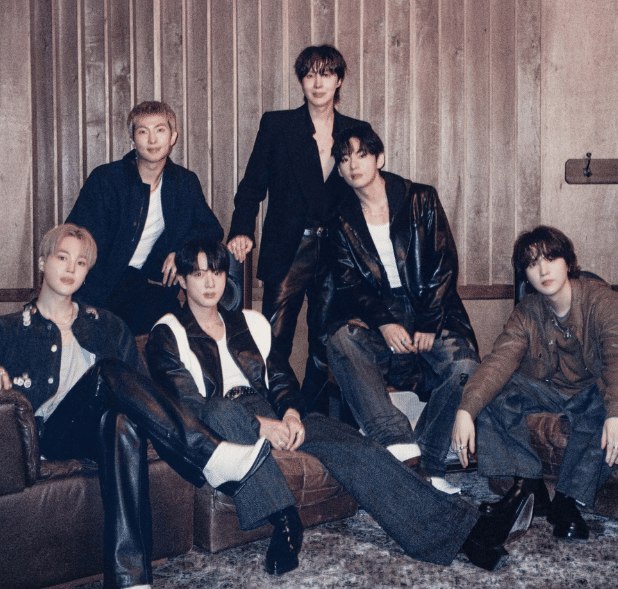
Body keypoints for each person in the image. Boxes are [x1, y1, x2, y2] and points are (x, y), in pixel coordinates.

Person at [145, 238, 533, 575]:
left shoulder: (252, 322)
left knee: (359, 446)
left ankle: (466, 534)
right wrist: (261, 425)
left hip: (273, 411)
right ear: (182, 280)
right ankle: (285, 523)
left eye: (216, 272)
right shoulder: (168, 332)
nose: (209, 282)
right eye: (198, 274)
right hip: (223, 420)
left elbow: (281, 381)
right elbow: (190, 404)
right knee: (220, 411)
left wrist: (290, 414)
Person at [0, 224, 271, 589]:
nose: (71, 268)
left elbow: (140, 391)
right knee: (107, 372)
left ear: (87, 273)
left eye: (81, 262)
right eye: (62, 257)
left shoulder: (108, 326)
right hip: (52, 435)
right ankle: (209, 453)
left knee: (120, 422)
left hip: (100, 435)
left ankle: (131, 580)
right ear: (42, 262)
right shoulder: (8, 328)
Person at [451, 226, 618, 541]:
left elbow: (617, 361)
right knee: (490, 393)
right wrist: (465, 410)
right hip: (551, 391)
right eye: (532, 263)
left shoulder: (606, 302)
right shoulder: (527, 311)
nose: (543, 270)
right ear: (525, 274)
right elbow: (498, 362)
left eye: (551, 258)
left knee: (612, 406)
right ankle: (528, 487)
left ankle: (566, 501)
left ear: (569, 262)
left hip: (594, 392)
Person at [324, 124, 479, 495]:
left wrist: (428, 321)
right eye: (344, 159)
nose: (352, 165)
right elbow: (350, 284)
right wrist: (384, 322)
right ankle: (400, 445)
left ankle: (426, 462)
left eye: (361, 155)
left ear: (379, 158)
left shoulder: (420, 198)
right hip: (379, 316)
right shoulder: (338, 218)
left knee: (465, 367)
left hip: (431, 309)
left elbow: (443, 264)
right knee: (341, 341)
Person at [227, 45, 370, 415]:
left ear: (339, 80)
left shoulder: (356, 131)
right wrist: (241, 230)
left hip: (337, 251)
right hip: (289, 247)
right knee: (273, 339)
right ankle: (274, 411)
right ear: (301, 81)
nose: (317, 83)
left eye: (326, 74)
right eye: (309, 75)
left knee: (325, 343)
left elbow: (368, 192)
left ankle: (314, 417)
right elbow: (252, 186)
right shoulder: (278, 125)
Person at [67, 100, 224, 335]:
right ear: (132, 139)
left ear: (173, 137)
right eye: (143, 132)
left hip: (149, 288)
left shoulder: (184, 182)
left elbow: (211, 229)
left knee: (174, 334)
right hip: (100, 287)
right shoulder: (106, 179)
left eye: (160, 130)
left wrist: (181, 251)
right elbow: (75, 236)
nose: (152, 140)